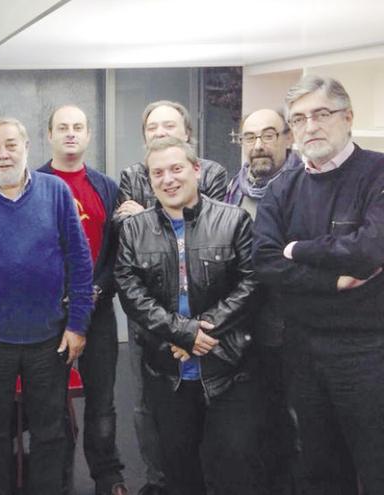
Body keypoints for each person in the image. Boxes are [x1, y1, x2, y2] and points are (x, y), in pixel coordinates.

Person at [0, 117, 94, 495]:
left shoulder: (55, 192)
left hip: (49, 339)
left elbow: (80, 261)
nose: (3, 153)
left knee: (49, 432)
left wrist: (77, 325)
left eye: (10, 144)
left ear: (27, 147)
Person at [253, 75, 384, 494]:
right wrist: (332, 281)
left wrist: (298, 250)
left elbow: (369, 250)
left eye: (322, 114)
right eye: (300, 118)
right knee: (320, 466)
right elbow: (264, 262)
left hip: (365, 351)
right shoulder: (282, 188)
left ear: (348, 117)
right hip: (303, 349)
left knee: (375, 459)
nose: (311, 126)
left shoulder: (377, 173)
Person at [116, 136, 260, 495]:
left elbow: (251, 284)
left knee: (234, 464)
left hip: (227, 365)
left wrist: (201, 332)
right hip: (167, 370)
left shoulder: (234, 220)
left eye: (176, 168)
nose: (168, 179)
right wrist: (182, 333)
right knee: (179, 469)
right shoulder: (134, 229)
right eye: (158, 173)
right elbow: (130, 290)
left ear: (196, 169)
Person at [37, 104, 126, 495]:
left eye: (78, 127)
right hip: (47, 315)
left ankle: (107, 477)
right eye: (62, 127)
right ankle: (56, 479)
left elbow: (119, 255)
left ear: (88, 135)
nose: (70, 133)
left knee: (102, 401)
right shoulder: (32, 183)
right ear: (50, 135)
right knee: (52, 402)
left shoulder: (107, 187)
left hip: (97, 311)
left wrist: (94, 292)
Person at [225, 108, 298, 492]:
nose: (258, 146)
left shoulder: (303, 186)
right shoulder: (232, 189)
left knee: (289, 419)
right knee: (252, 418)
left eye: (268, 135)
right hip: (242, 325)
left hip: (288, 327)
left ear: (288, 138)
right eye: (250, 138)